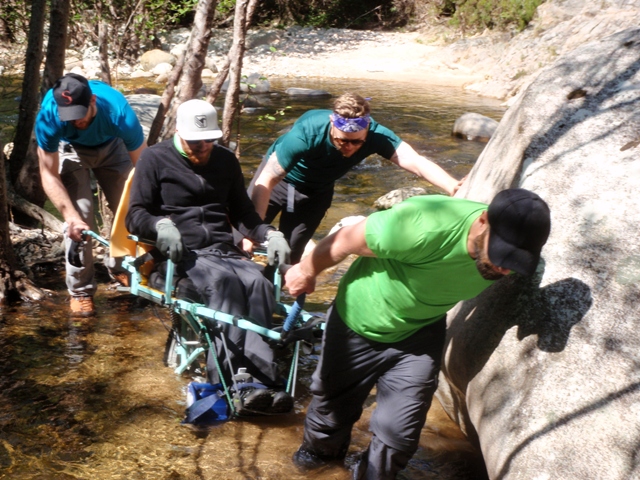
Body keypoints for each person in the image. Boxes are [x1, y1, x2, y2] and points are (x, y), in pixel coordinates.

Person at [284, 188, 551, 479]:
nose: (503, 267)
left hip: (419, 335)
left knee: (398, 437)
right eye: (500, 254)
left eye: (513, 262)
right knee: (329, 422)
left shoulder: (512, 253)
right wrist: (307, 270)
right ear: (484, 221)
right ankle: (315, 467)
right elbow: (346, 239)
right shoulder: (423, 224)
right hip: (356, 323)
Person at [126, 99, 294, 414]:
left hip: (222, 250)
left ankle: (262, 380)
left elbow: (243, 214)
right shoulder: (154, 158)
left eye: (209, 140)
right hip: (179, 256)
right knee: (224, 284)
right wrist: (160, 225)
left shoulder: (226, 161)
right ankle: (232, 383)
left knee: (257, 282)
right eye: (195, 141)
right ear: (178, 131)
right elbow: (135, 215)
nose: (202, 147)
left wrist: (270, 235)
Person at [249, 92, 464, 263]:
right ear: (332, 124)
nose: (350, 147)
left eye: (357, 142)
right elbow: (266, 180)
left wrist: (453, 186)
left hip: (317, 190)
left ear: (367, 128)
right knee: (241, 239)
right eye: (342, 141)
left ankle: (268, 301)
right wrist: (254, 231)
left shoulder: (377, 135)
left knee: (289, 255)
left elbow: (415, 161)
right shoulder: (307, 133)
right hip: (280, 182)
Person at [36, 73, 147, 317]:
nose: (75, 120)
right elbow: (48, 173)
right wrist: (70, 216)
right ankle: (81, 291)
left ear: (93, 101)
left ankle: (122, 269)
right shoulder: (49, 117)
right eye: (69, 116)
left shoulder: (119, 112)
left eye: (79, 114)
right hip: (70, 150)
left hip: (112, 145)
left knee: (128, 209)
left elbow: (143, 169)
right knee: (80, 219)